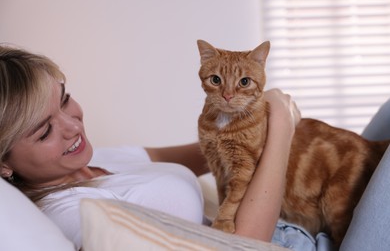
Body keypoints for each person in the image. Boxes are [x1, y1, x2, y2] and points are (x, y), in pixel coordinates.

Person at [1, 44, 389, 251]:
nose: (73, 126)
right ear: (4, 166)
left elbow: (206, 150)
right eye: (44, 131)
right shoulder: (70, 212)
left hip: (305, 228)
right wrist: (282, 127)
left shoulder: (101, 158)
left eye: (66, 99)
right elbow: (244, 246)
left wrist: (246, 119)